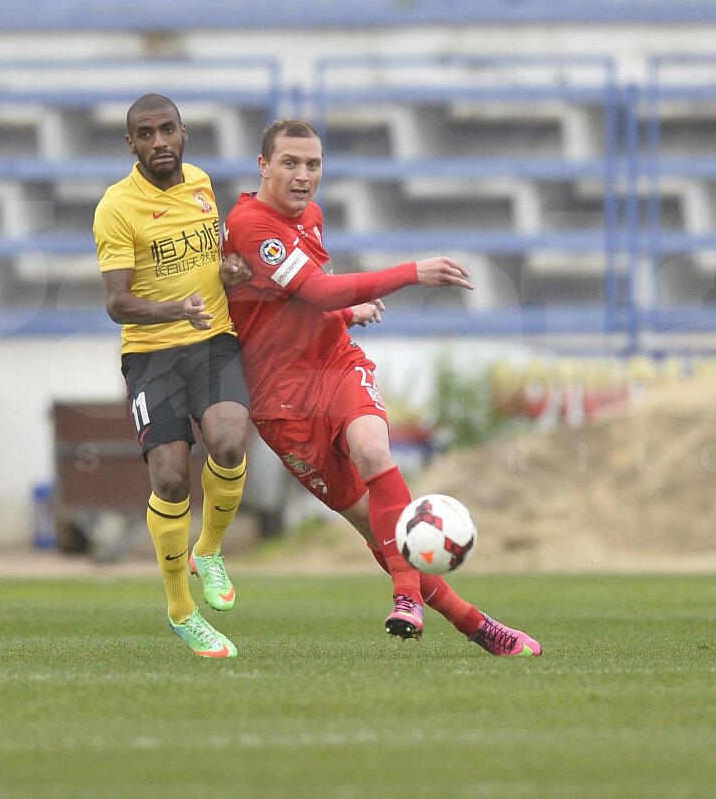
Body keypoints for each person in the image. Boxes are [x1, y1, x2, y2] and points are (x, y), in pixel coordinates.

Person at [221, 119, 541, 656]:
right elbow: (314, 292)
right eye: (290, 164)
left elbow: (287, 303)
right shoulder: (251, 225)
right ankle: (477, 625)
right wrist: (410, 272)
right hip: (281, 407)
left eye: (314, 165)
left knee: (373, 449)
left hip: (335, 365)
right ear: (263, 166)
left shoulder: (311, 218)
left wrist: (345, 313)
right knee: (381, 531)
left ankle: (406, 598)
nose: (304, 177)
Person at [94, 94, 249, 658]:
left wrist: (231, 273)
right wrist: (174, 309)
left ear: (184, 133)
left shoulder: (203, 185)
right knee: (171, 480)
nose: (159, 141)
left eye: (167, 130)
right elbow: (117, 303)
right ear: (130, 144)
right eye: (145, 133)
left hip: (212, 341)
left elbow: (217, 264)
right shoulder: (116, 207)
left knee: (230, 442)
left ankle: (207, 549)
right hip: (151, 354)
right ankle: (182, 610)